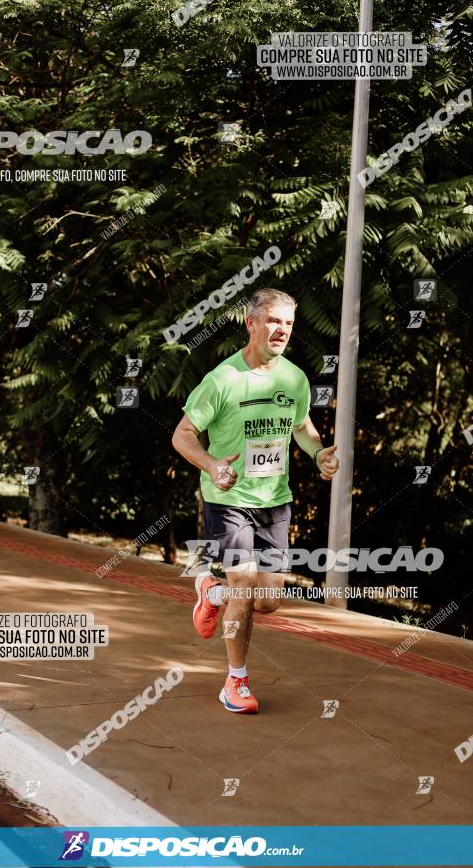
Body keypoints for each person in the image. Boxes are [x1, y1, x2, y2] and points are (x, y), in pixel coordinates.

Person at [172, 288, 339, 713]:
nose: (282, 330)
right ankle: (235, 683)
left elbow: (301, 425)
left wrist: (318, 452)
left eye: (288, 323)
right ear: (251, 323)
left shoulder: (294, 379)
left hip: (274, 500)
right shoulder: (223, 379)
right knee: (243, 586)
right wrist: (211, 465)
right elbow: (183, 435)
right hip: (228, 498)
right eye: (273, 320)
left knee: (266, 600)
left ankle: (210, 594)